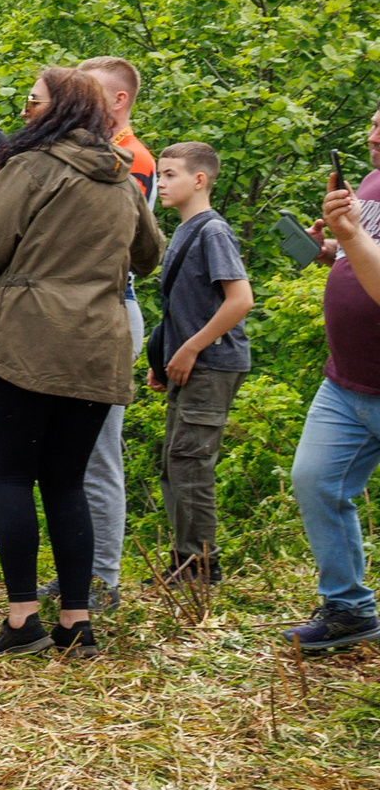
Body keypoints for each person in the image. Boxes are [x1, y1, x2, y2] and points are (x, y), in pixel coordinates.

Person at [0, 67, 163, 658]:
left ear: (60, 109)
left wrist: (21, 271)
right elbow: (150, 254)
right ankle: (77, 622)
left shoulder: (29, 167)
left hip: (24, 337)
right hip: (99, 343)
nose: (25, 110)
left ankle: (23, 619)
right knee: (68, 482)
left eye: (34, 100)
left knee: (12, 478)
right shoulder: (120, 175)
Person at [282, 103, 380, 653]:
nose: (373, 136)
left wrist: (351, 234)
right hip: (346, 381)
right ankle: (348, 609)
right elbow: (360, 255)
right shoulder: (370, 183)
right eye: (373, 123)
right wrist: (331, 247)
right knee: (316, 480)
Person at [150, 142, 253, 590]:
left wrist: (190, 349)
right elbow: (182, 305)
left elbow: (240, 300)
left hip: (211, 363)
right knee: (175, 462)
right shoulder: (183, 230)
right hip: (186, 363)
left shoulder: (212, 231)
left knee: (191, 463)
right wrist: (163, 357)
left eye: (170, 174)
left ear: (199, 180)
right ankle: (185, 559)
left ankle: (200, 566)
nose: (161, 183)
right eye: (160, 174)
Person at [77, 56, 156, 613]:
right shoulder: (97, 151)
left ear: (119, 100)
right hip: (84, 308)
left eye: (90, 92)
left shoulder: (133, 158)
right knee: (73, 453)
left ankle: (102, 578)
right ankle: (80, 570)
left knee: (99, 452)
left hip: (110, 306)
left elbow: (118, 240)